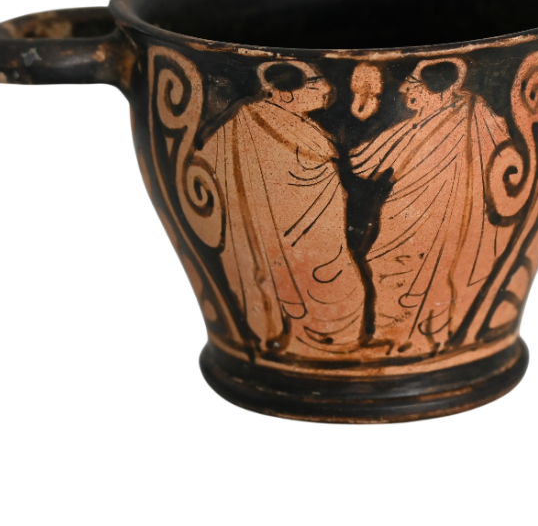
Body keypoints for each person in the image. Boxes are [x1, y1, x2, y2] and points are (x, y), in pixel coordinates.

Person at [196, 61, 365, 357]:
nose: (327, 89)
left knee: (343, 289)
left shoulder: (297, 125)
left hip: (323, 239)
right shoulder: (243, 125)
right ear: (286, 93)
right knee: (323, 287)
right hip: (276, 238)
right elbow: (208, 165)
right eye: (316, 82)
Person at [351, 58, 515, 355]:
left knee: (431, 270)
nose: (403, 88)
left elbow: (362, 163)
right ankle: (398, 335)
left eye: (413, 84)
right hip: (406, 215)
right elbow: (362, 162)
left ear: (438, 89)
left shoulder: (471, 117)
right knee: (389, 267)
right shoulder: (419, 124)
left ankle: (423, 338)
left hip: (446, 217)